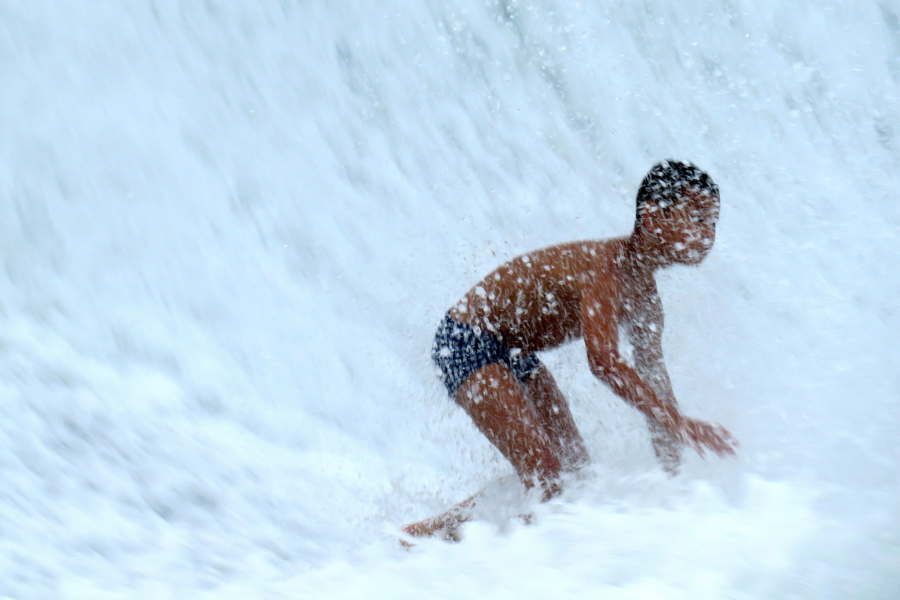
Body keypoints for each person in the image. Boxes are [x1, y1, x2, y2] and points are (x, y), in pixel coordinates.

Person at [404, 160, 737, 540]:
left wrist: (678, 487)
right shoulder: (605, 269)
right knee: (547, 478)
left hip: (514, 352)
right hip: (467, 339)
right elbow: (605, 363)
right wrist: (678, 422)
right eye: (696, 218)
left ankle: (431, 537)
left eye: (713, 223)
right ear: (651, 217)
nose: (708, 234)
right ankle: (448, 548)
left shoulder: (647, 301)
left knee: (576, 474)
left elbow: (655, 385)